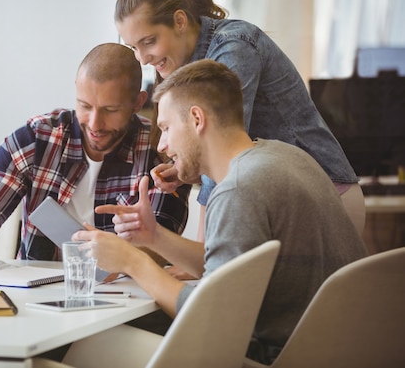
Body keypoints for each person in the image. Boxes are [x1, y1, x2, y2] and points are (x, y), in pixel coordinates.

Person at [73, 59, 368, 364]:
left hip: (278, 357)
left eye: (166, 128)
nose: (162, 143)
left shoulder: (239, 189)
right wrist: (153, 236)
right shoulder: (287, 157)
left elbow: (211, 321)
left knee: (88, 344)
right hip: (341, 351)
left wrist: (132, 261)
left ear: (197, 119)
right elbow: (233, 274)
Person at [114, 0, 366, 236]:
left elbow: (221, 147)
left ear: (179, 21)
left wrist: (203, 250)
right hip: (283, 197)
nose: (142, 58)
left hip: (325, 194)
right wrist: (182, 169)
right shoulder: (185, 63)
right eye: (134, 47)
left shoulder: (234, 47)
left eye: (149, 41)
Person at [0, 42, 189, 262]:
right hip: (38, 299)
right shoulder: (34, 140)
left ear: (138, 102)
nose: (95, 124)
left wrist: (122, 255)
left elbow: (165, 249)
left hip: (131, 298)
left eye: (110, 110)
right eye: (84, 106)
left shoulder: (161, 150)